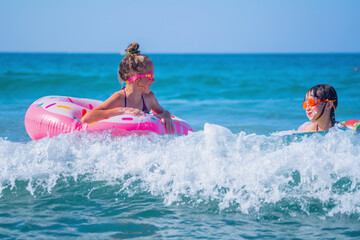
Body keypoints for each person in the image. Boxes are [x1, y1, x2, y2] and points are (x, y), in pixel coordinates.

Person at [81, 42, 174, 133]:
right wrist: (122, 111)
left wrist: (167, 115)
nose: (153, 80)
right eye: (150, 76)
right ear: (136, 78)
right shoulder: (119, 98)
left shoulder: (150, 98)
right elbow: (86, 118)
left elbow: (163, 112)